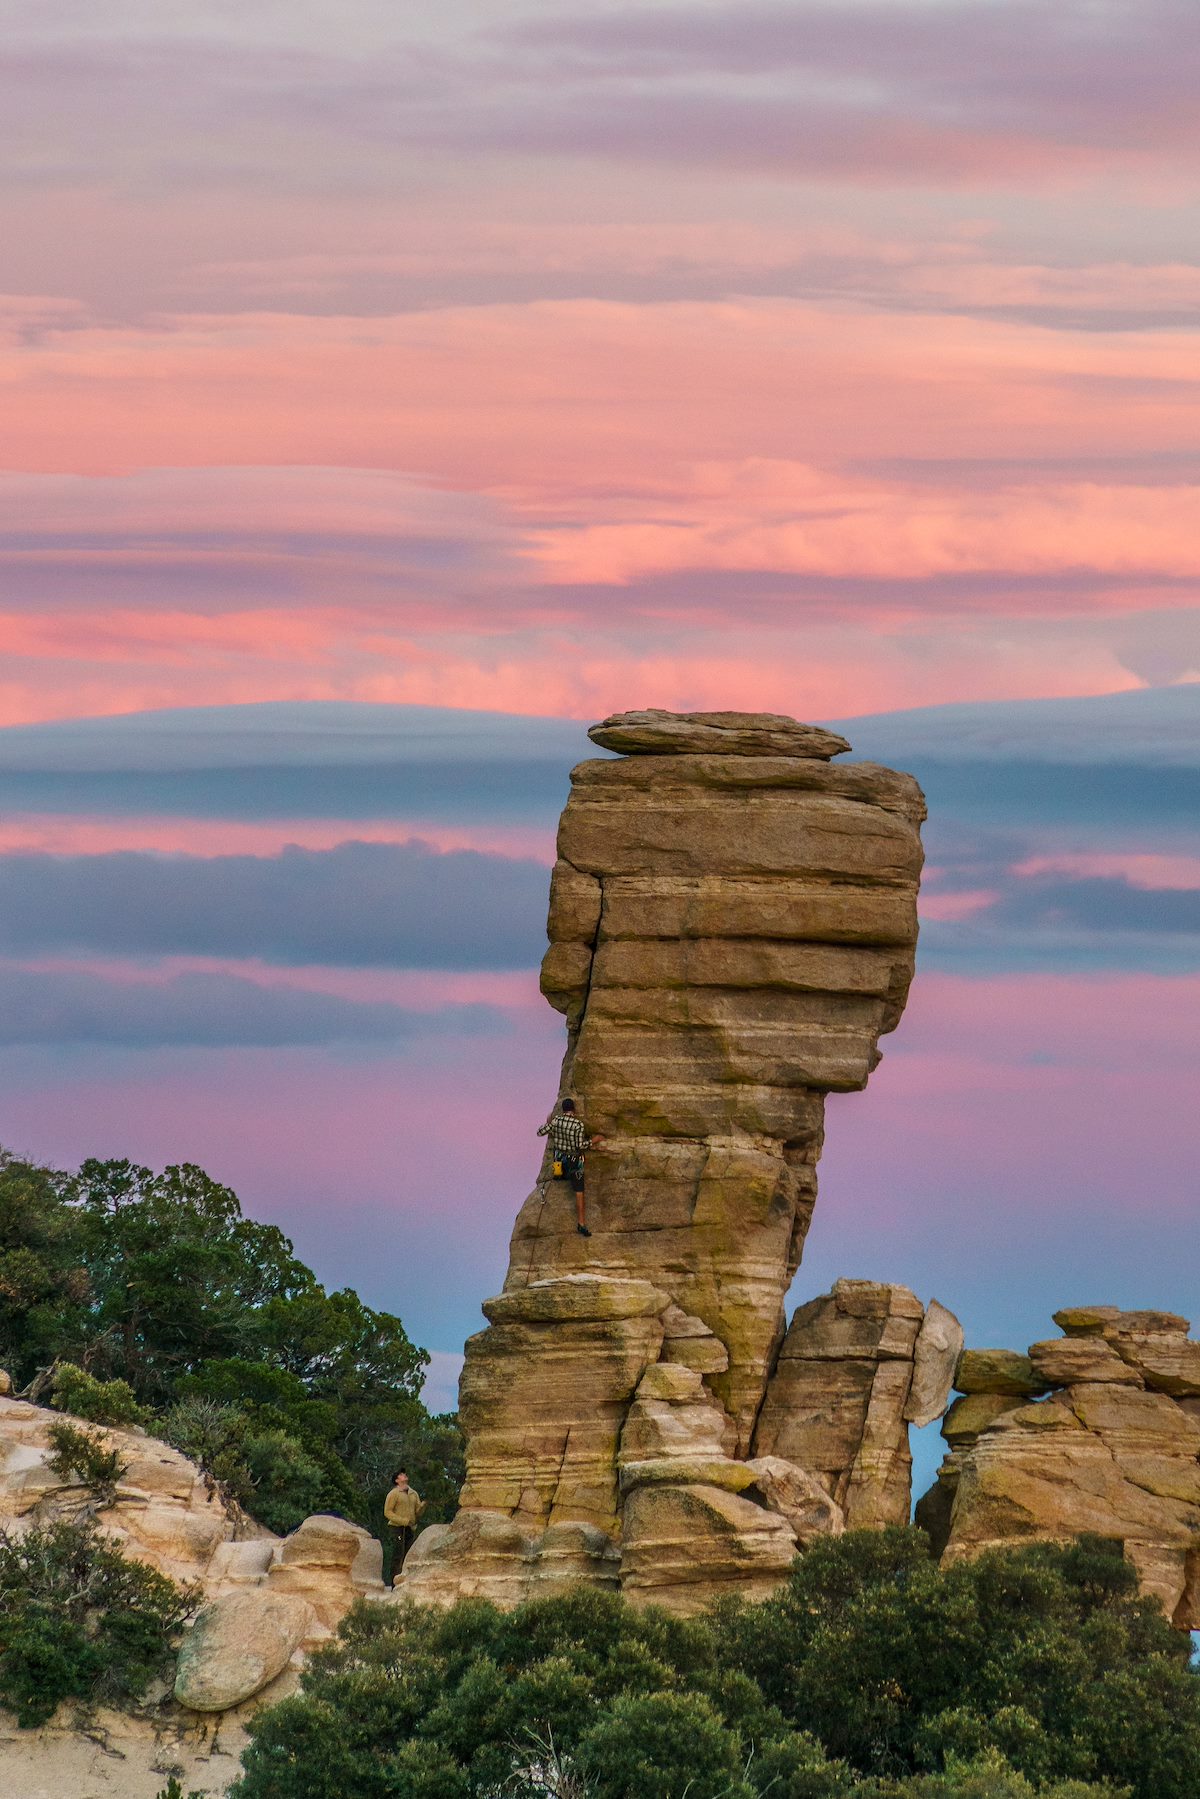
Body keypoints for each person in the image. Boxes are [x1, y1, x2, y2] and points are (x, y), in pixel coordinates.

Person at [538, 1096, 600, 1236]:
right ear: (574, 1109)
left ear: (563, 1109)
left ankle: (558, 1175)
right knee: (579, 1192)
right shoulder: (578, 1125)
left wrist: (549, 1123)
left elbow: (539, 1132)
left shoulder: (556, 1121)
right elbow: (580, 1145)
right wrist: (594, 1141)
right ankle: (581, 1224)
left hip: (559, 1161)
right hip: (573, 1161)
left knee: (559, 1161)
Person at [384, 1468, 424, 1583]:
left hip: (410, 1528)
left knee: (408, 1554)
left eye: (404, 1474)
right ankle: (393, 1583)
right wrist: (402, 1520)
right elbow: (387, 1512)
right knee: (398, 1554)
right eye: (401, 1475)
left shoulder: (413, 1493)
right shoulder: (393, 1494)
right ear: (397, 1480)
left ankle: (406, 1581)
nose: (404, 1475)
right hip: (396, 1527)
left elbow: (418, 1511)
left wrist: (423, 1506)